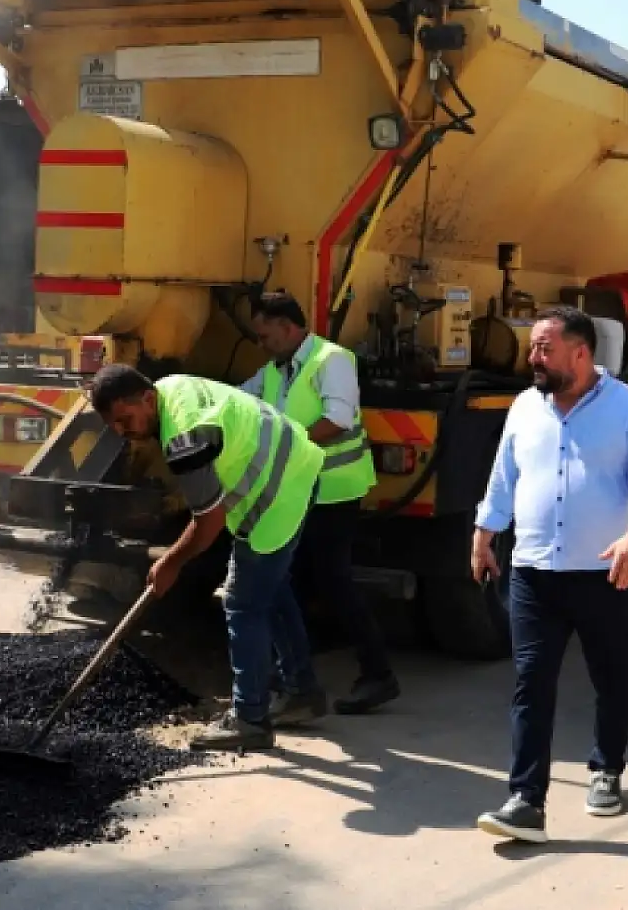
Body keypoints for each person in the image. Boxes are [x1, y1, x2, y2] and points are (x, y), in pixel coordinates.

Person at [471, 307, 628, 843]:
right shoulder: (525, 407)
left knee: (610, 676)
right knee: (531, 681)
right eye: (533, 347)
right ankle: (526, 799)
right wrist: (486, 531)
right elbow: (504, 474)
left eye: (543, 348)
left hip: (605, 570)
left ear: (581, 353)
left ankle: (607, 768)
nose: (532, 357)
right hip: (534, 568)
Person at [88, 365, 325, 751]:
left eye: (125, 420)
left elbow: (208, 522)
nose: (121, 431)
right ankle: (301, 692)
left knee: (242, 602)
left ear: (146, 399)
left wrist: (171, 563)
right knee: (272, 587)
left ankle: (250, 719)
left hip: (279, 491)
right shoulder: (169, 388)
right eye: (113, 424)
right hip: (294, 463)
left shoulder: (184, 438)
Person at [242, 292, 398, 718]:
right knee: (294, 582)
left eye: (265, 334)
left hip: (335, 489)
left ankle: (377, 674)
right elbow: (241, 399)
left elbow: (338, 419)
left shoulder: (332, 360)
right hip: (298, 490)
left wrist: (285, 449)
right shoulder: (276, 369)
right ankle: (292, 676)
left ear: (288, 327)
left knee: (331, 581)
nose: (261, 342)